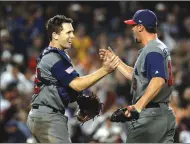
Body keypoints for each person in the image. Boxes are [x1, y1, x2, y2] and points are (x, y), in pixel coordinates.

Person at [26, 15, 120, 143]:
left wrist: (81, 103)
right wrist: (105, 70)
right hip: (48, 118)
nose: (73, 36)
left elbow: (66, 90)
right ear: (55, 35)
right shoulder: (54, 58)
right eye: (68, 32)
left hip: (44, 116)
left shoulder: (56, 56)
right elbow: (77, 85)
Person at [100, 9, 176, 143]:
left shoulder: (152, 49)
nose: (132, 29)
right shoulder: (159, 47)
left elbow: (158, 81)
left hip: (151, 115)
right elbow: (139, 77)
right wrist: (116, 61)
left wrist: (138, 106)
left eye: (133, 26)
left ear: (141, 27)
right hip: (163, 113)